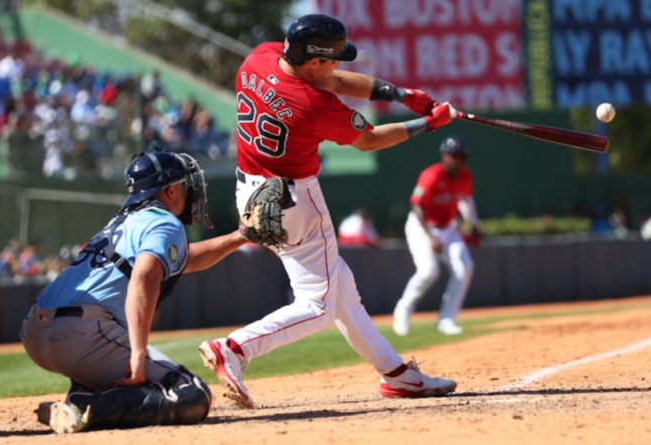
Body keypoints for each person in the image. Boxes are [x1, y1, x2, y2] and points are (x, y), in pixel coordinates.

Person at [198, 14, 457, 409]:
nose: (339, 64)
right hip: (294, 202)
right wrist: (426, 123)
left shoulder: (259, 57)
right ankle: (233, 349)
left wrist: (402, 94)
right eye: (333, 58)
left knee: (341, 291)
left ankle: (397, 375)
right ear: (314, 61)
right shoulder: (313, 104)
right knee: (318, 307)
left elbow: (332, 79)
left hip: (249, 191)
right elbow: (368, 140)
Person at [21, 147, 252, 433]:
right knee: (191, 395)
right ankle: (83, 408)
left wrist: (241, 236)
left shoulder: (125, 222)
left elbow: (182, 260)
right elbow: (143, 279)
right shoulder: (166, 222)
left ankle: (88, 395)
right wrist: (138, 356)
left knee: (150, 383)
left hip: (35, 330)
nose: (189, 190)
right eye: (182, 183)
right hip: (82, 334)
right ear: (168, 191)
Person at [393, 136, 480, 337]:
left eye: (459, 155)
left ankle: (447, 318)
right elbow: (417, 206)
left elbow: (466, 200)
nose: (456, 159)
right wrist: (431, 237)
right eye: (452, 155)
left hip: (447, 227)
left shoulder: (464, 176)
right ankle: (403, 309)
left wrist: (473, 225)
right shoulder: (431, 175)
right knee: (429, 271)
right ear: (444, 156)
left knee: (465, 267)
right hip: (421, 226)